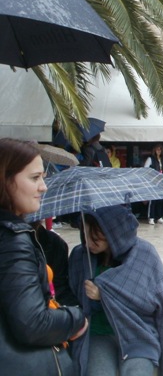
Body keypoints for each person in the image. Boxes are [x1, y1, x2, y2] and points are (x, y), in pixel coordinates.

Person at [0, 138, 87, 374]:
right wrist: (76, 317)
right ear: (5, 180)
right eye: (34, 178)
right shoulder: (12, 240)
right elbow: (33, 323)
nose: (43, 187)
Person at [68, 205, 163, 376]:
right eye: (85, 235)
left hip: (138, 334)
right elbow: (74, 300)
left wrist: (103, 295)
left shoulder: (144, 255)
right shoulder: (80, 257)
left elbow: (153, 305)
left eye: (95, 238)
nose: (88, 243)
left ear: (113, 235)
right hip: (98, 333)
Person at [144, 144, 163, 225]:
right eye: (157, 149)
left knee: (160, 200)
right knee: (153, 200)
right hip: (153, 181)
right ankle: (151, 217)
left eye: (160, 149)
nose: (159, 151)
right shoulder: (150, 159)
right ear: (154, 150)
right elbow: (145, 169)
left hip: (161, 181)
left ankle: (159, 217)